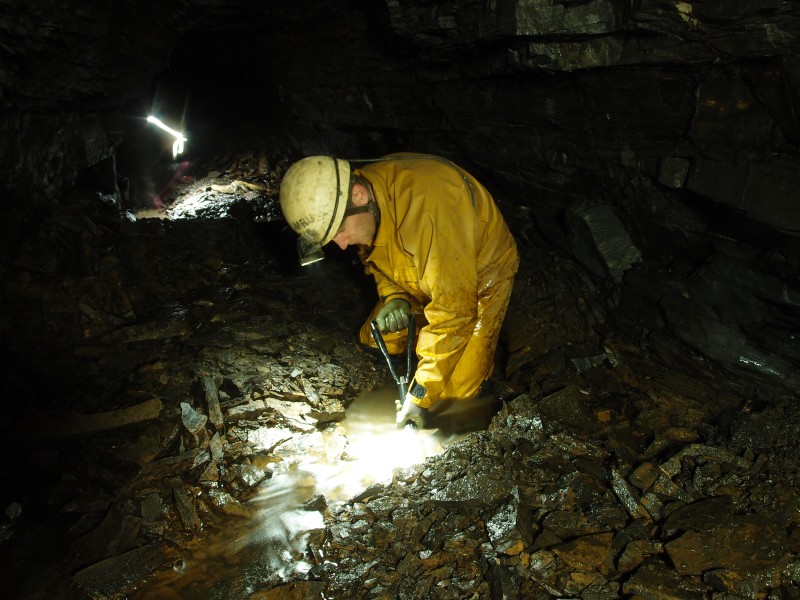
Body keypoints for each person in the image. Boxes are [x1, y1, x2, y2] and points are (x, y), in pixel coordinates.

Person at [279, 152, 519, 428]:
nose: (342, 245)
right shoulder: (365, 198)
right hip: (427, 273)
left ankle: (473, 361)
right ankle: (425, 348)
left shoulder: (429, 209)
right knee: (374, 337)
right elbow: (378, 257)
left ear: (359, 195)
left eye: (341, 230)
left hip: (478, 280)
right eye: (333, 238)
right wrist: (394, 296)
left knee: (453, 396)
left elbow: (455, 313)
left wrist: (419, 396)